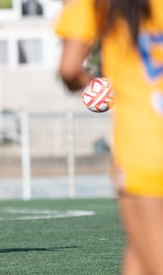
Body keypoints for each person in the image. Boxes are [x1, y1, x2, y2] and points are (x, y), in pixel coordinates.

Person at [55, 0, 163, 274]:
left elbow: (69, 69)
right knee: (138, 256)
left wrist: (90, 82)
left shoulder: (97, 3)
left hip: (143, 149)